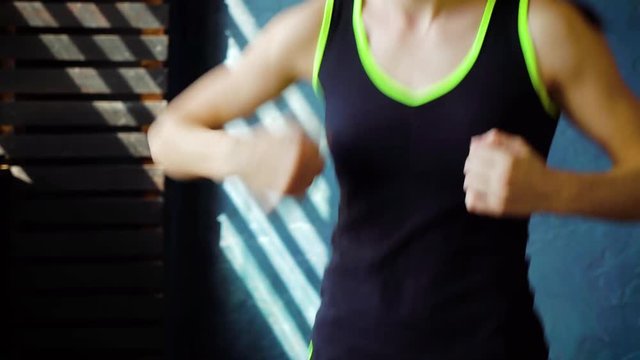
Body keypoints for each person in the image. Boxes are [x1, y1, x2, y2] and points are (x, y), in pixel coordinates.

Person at [147, 0, 640, 358]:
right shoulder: (320, 26)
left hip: (491, 345)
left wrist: (554, 190)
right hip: (348, 343)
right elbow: (167, 136)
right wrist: (243, 154)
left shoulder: (542, 27)